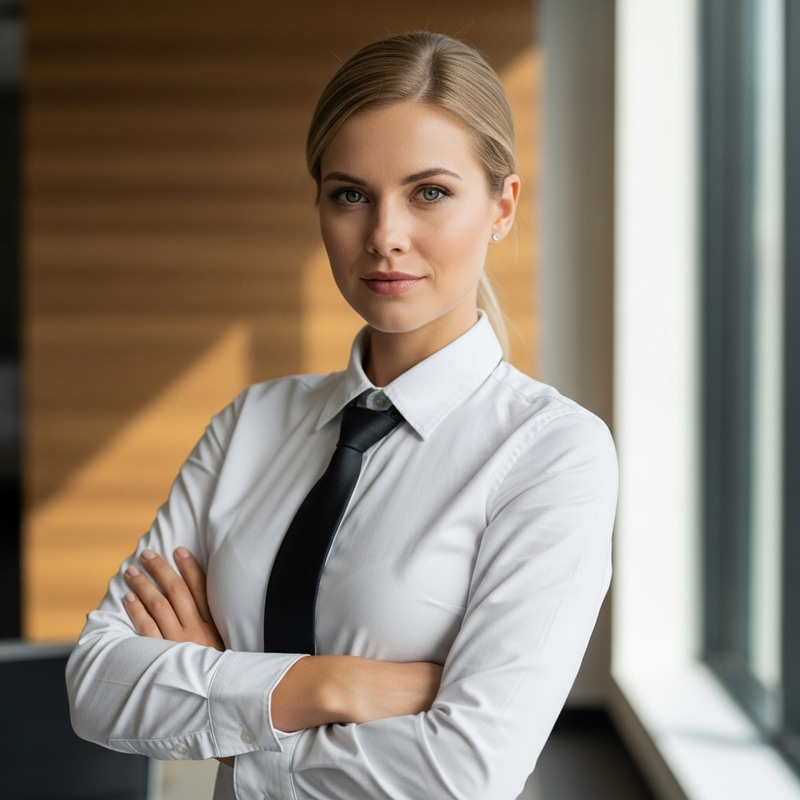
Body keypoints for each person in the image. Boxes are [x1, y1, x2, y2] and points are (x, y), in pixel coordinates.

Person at [66, 31, 618, 800]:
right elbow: (95, 682)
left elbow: (465, 772)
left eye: (430, 192)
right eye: (350, 194)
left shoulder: (552, 454)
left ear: (502, 206)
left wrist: (228, 717)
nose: (385, 236)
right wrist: (330, 687)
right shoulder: (250, 424)